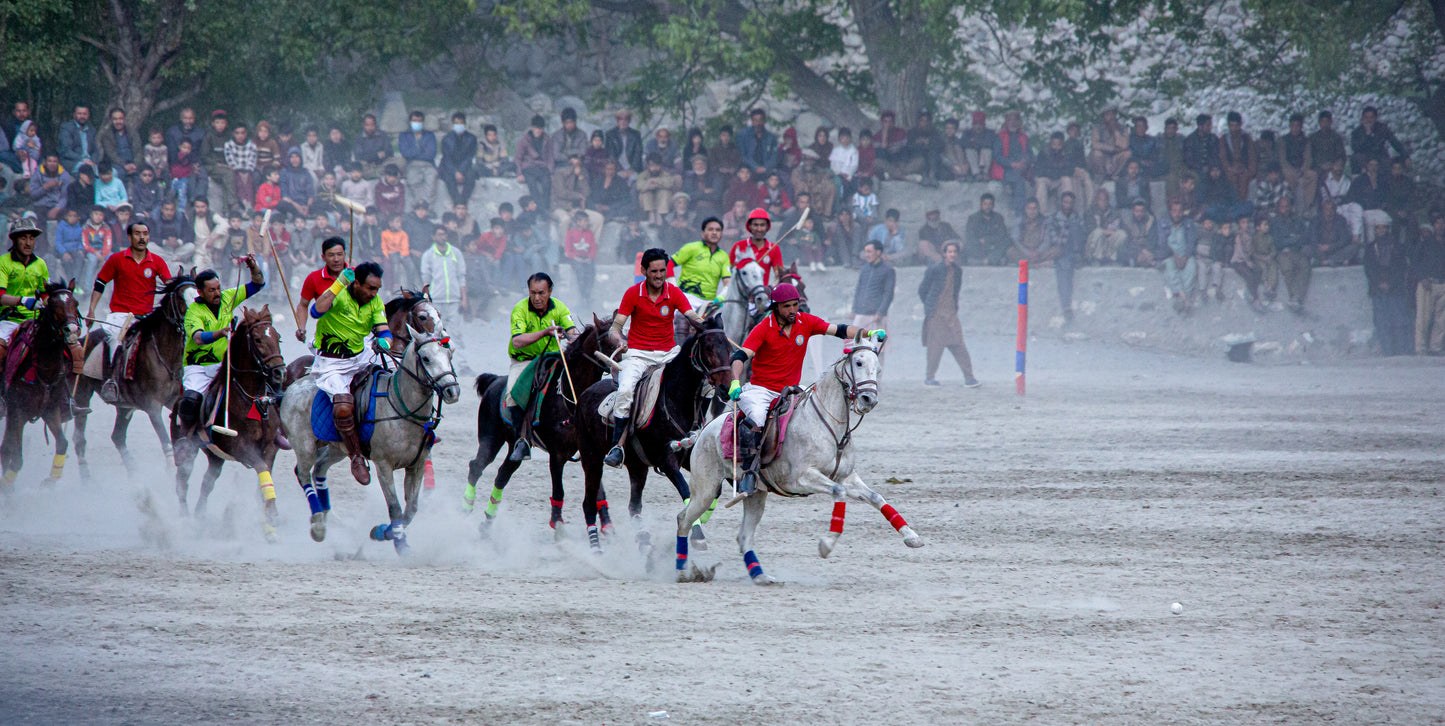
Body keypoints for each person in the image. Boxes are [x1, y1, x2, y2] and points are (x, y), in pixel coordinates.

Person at [725, 283, 883, 495]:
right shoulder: (763, 328)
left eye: (795, 305)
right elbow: (740, 356)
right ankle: (748, 473)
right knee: (757, 417)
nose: (792, 310)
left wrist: (868, 332)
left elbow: (840, 330)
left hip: (791, 389)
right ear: (776, 307)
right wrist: (735, 381)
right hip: (761, 390)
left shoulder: (805, 322)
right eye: (787, 306)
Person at [603, 248, 707, 467]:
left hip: (668, 354)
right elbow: (616, 326)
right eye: (654, 271)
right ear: (644, 271)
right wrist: (618, 339)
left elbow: (691, 316)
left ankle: (699, 429)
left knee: (707, 384)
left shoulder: (674, 292)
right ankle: (617, 446)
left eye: (663, 271)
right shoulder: (633, 293)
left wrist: (708, 327)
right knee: (625, 389)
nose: (659, 276)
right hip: (638, 355)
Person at [308, 261, 389, 483]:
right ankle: (356, 457)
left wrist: (386, 342)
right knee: (343, 407)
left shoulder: (375, 301)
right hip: (331, 363)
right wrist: (338, 284)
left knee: (399, 371)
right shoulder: (339, 294)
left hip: (360, 356)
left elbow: (384, 330)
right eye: (371, 288)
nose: (375, 293)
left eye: (377, 289)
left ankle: (423, 429)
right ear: (357, 284)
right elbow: (315, 311)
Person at [86, 219, 171, 403]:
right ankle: (112, 382)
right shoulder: (116, 259)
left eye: (145, 234)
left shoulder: (157, 262)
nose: (142, 238)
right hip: (121, 315)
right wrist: (92, 309)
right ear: (130, 237)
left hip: (146, 317)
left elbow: (170, 285)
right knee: (115, 340)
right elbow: (100, 283)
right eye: (138, 234)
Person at [177, 255, 265, 432]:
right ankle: (186, 439)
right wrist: (221, 333)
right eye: (211, 290)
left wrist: (253, 267)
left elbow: (257, 284)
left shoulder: (227, 298)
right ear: (200, 292)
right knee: (190, 401)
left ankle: (270, 431)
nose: (217, 293)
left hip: (226, 364)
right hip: (199, 367)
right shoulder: (193, 311)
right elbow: (198, 338)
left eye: (218, 288)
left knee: (262, 386)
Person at [503, 272, 579, 461]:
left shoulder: (560, 308)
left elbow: (573, 332)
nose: (537, 298)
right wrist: (545, 332)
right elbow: (518, 341)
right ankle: (522, 440)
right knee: (513, 393)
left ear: (550, 291)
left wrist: (572, 337)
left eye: (541, 293)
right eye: (533, 293)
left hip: (553, 359)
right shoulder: (519, 309)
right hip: (525, 360)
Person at [0, 218, 83, 378]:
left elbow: (45, 295)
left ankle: (69, 398)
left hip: (36, 321)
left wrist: (61, 310)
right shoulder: (3, 262)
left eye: (31, 238)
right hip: (10, 320)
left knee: (76, 351)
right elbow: (1, 296)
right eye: (23, 238)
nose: (28, 242)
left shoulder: (40, 264)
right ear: (14, 240)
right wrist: (24, 301)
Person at [918, 241, 979, 387]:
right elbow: (923, 290)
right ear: (944, 253)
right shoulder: (934, 269)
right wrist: (930, 307)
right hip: (936, 313)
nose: (952, 255)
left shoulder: (958, 271)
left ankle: (969, 377)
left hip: (951, 313)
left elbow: (955, 291)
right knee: (935, 347)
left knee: (958, 345)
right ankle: (930, 377)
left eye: (954, 252)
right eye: (949, 252)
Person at [670, 217, 731, 310]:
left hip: (709, 304)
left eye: (718, 230)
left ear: (721, 234)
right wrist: (674, 288)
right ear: (703, 234)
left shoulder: (724, 256)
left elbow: (727, 282)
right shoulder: (691, 248)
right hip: (686, 299)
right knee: (683, 321)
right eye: (710, 229)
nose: (714, 233)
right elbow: (668, 264)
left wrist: (722, 296)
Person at [295, 237, 347, 344]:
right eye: (331, 255)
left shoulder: (357, 275)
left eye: (339, 254)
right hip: (327, 336)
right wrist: (302, 328)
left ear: (344, 255)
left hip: (357, 335)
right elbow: (303, 305)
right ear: (323, 257)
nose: (336, 259)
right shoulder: (313, 278)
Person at [852, 240, 894, 369]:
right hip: (861, 315)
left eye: (869, 251)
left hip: (876, 316)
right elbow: (859, 289)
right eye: (866, 252)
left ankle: (876, 380)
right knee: (856, 347)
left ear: (878, 252)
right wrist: (854, 309)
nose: (867, 254)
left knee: (877, 350)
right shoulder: (864, 269)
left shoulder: (888, 270)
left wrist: (880, 312)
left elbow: (888, 293)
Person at [1155, 199, 1199, 313]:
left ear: (1183, 212)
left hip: (1185, 255)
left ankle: (1185, 297)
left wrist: (1185, 257)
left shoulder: (1189, 224)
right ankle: (1180, 295)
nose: (1177, 214)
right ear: (1170, 211)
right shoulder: (1162, 223)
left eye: (1180, 211)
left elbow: (1191, 242)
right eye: (1174, 211)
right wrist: (1174, 256)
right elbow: (1161, 243)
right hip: (1169, 255)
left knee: (1192, 266)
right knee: (1169, 267)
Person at [1047, 191, 1086, 321]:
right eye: (1065, 202)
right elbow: (1053, 239)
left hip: (1074, 251)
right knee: (1064, 272)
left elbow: (1081, 237)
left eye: (1070, 202)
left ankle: (1066, 307)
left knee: (1075, 228)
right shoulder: (1053, 218)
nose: (1068, 205)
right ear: (1061, 203)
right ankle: (1066, 306)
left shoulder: (1077, 218)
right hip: (1060, 251)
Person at [419, 225, 468, 327]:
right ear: (434, 237)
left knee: (456, 333)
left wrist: (464, 299)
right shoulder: (428, 255)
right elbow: (426, 280)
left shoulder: (456, 253)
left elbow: (461, 277)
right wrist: (427, 300)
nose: (443, 237)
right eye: (440, 234)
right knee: (438, 331)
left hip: (454, 300)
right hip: (436, 300)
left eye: (444, 234)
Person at [1412, 210, 1445, 356]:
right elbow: (1415, 262)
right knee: (1424, 318)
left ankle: (1435, 347)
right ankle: (1420, 347)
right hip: (1428, 283)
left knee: (1441, 319)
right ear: (1433, 225)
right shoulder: (1425, 242)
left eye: (1443, 222)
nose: (1441, 226)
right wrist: (1422, 277)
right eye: (1438, 223)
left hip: (1443, 283)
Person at [729, 208, 784, 285]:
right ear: (750, 226)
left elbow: (778, 274)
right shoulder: (738, 246)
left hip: (762, 294)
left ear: (767, 227)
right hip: (741, 294)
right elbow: (728, 272)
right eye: (755, 225)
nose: (759, 229)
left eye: (762, 225)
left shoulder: (774, 248)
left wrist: (773, 285)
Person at [399, 111, 439, 205]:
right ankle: (419, 208)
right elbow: (405, 153)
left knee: (432, 184)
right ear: (410, 122)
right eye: (414, 120)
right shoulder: (404, 135)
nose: (417, 123)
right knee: (413, 183)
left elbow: (431, 154)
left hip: (428, 165)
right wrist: (422, 150)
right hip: (412, 165)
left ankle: (427, 209)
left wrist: (414, 152)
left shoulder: (430, 135)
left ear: (423, 122)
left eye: (419, 121)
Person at [963, 193, 1011, 266]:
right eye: (985, 204)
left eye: (990, 204)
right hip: (979, 247)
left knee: (1006, 242)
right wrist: (980, 241)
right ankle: (993, 260)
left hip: (994, 246)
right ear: (981, 205)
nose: (987, 207)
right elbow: (970, 235)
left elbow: (1002, 234)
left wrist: (987, 240)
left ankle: (986, 261)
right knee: (968, 245)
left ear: (993, 206)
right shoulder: (973, 218)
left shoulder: (998, 217)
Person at [562, 210, 597, 302]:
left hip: (587, 258)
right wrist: (575, 258)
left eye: (587, 221)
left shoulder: (590, 233)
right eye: (584, 221)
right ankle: (582, 296)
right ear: (578, 222)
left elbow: (593, 248)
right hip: (575, 258)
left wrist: (590, 257)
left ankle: (588, 295)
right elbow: (567, 250)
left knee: (590, 273)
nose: (587, 223)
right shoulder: (571, 233)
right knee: (580, 273)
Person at [1088, 108, 1131, 181]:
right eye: (1108, 115)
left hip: (1114, 158)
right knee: (1096, 153)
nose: (1111, 117)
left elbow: (1124, 146)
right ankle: (1100, 176)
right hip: (1102, 157)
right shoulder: (1097, 128)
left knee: (1127, 153)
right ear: (1103, 117)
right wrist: (1113, 149)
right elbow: (1095, 144)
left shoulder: (1123, 128)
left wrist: (1115, 131)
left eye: (1112, 114)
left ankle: (1114, 175)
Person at [604, 110, 644, 181]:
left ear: (629, 121)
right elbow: (611, 154)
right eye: (621, 119)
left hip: (633, 169)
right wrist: (619, 170)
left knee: (635, 181)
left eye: (626, 119)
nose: (623, 122)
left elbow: (638, 154)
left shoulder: (636, 134)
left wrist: (632, 170)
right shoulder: (610, 134)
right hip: (616, 169)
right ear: (617, 121)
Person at [737, 108, 779, 176]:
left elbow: (774, 156)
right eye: (755, 120)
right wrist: (755, 167)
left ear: (764, 121)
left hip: (766, 170)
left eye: (760, 120)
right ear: (752, 122)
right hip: (749, 170)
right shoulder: (744, 135)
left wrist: (766, 168)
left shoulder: (771, 137)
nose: (758, 123)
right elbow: (742, 155)